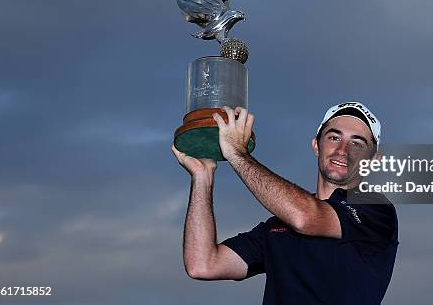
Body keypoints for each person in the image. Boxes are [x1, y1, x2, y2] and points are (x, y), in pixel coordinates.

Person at [171, 102, 398, 305]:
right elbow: (202, 264)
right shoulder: (277, 227)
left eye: (357, 143)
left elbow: (305, 218)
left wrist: (236, 153)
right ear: (316, 146)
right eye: (334, 137)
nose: (342, 150)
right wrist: (202, 177)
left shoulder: (376, 211)